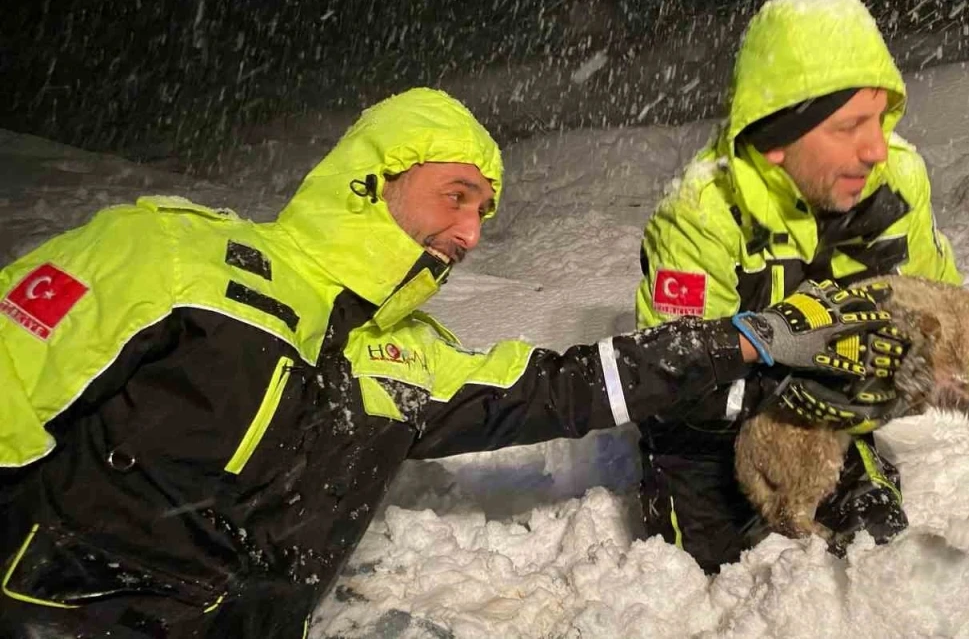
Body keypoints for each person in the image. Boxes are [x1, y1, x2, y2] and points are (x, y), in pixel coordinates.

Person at [0, 88, 909, 637]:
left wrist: (747, 336)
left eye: (485, 212)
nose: (471, 232)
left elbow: (570, 385)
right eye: (456, 197)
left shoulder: (406, 361)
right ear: (372, 177)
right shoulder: (171, 260)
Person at [632, 0, 963, 574]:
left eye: (881, 118)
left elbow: (941, 317)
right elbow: (675, 375)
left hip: (830, 412)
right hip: (713, 423)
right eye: (850, 126)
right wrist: (799, 393)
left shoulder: (898, 180)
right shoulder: (701, 213)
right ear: (778, 136)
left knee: (874, 545)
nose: (877, 148)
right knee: (708, 567)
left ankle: (857, 457)